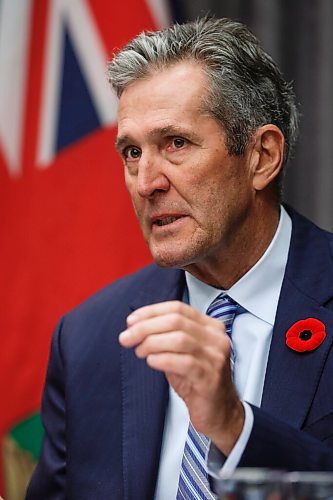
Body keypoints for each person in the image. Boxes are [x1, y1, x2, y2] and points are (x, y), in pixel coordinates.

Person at [26, 16, 333, 500]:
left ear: (262, 156)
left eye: (176, 143)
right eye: (131, 152)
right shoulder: (89, 338)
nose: (146, 181)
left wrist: (235, 425)